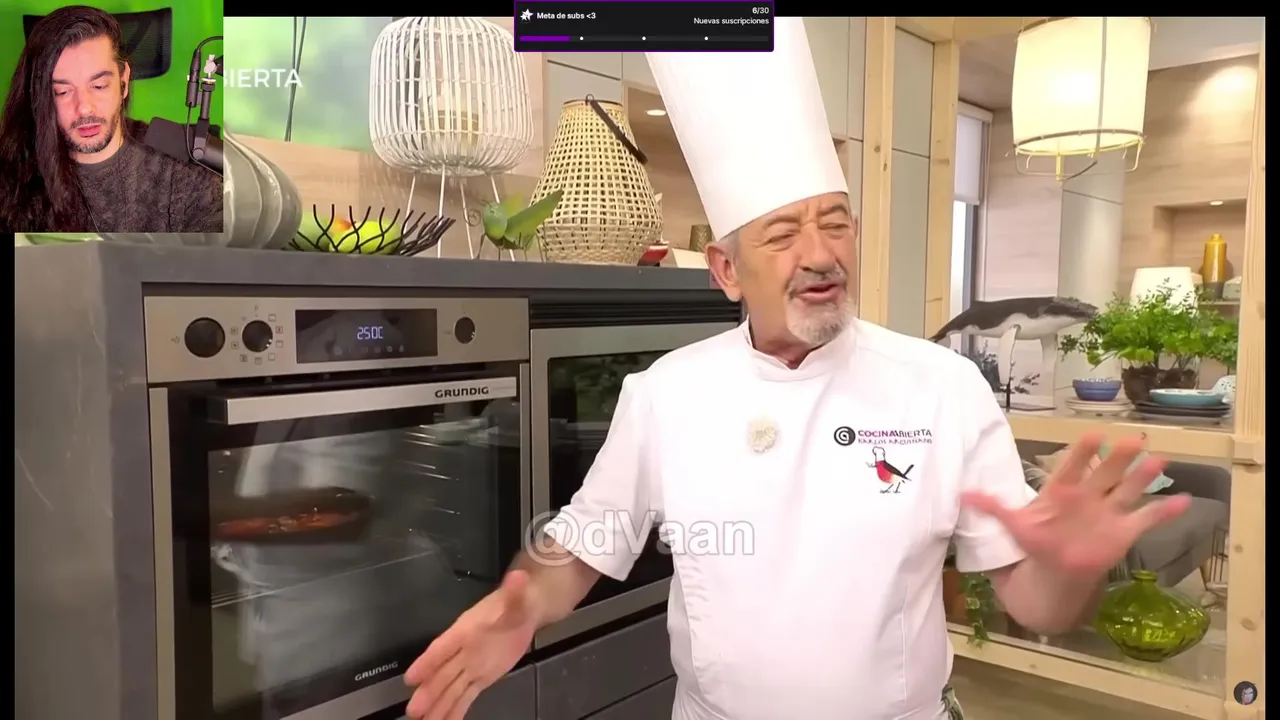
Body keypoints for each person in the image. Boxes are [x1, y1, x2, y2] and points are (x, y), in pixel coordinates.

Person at [402, 18, 1190, 720]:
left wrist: (1069, 569)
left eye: (835, 224)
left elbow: (1034, 601)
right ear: (726, 270)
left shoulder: (942, 388)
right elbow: (580, 547)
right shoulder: (666, 393)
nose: (820, 255)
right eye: (782, 234)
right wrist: (523, 603)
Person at [0, 6, 222, 233]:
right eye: (63, 92)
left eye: (99, 86)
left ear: (123, 81)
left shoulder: (186, 180)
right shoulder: (13, 177)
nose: (84, 108)